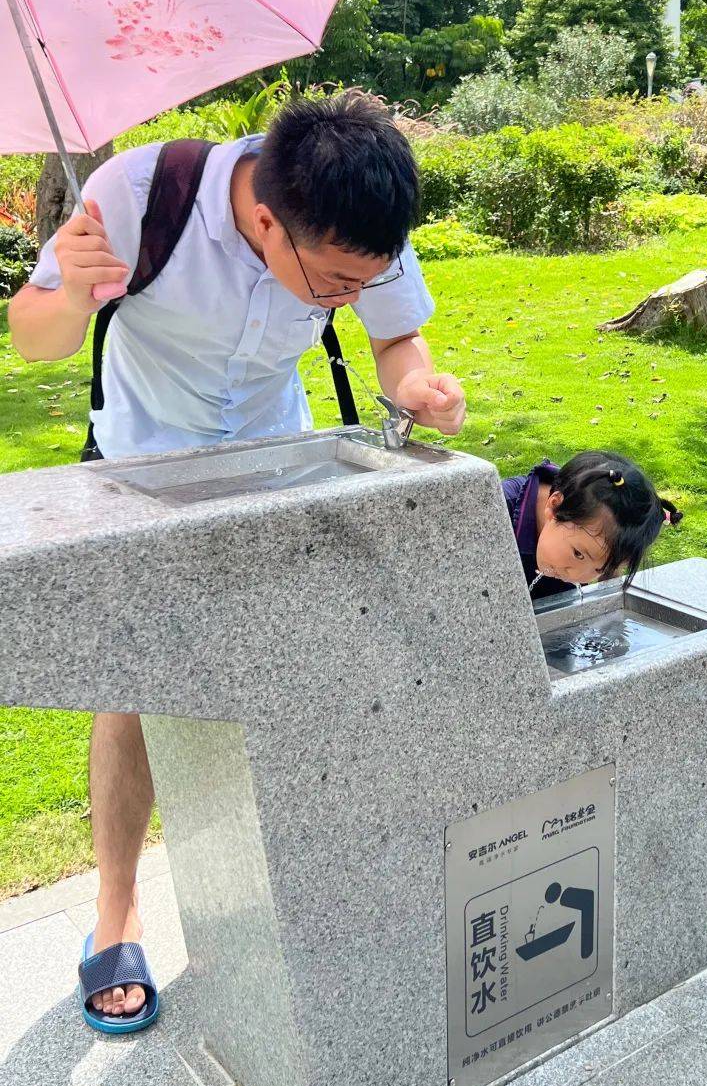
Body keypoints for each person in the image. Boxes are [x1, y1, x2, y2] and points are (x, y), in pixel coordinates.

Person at [8, 91, 465, 1032]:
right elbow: (32, 340)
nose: (348, 293)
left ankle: (306, 871)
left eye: (358, 278)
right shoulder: (138, 194)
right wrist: (71, 290)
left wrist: (413, 380)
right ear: (266, 220)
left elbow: (392, 335)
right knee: (130, 691)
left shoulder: (355, 215)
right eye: (333, 280)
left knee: (301, 672)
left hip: (276, 462)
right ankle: (116, 908)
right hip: (143, 472)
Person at [501, 451, 682, 602]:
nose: (578, 576)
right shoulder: (495, 517)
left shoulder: (584, 535)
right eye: (578, 554)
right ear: (555, 506)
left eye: (598, 569)